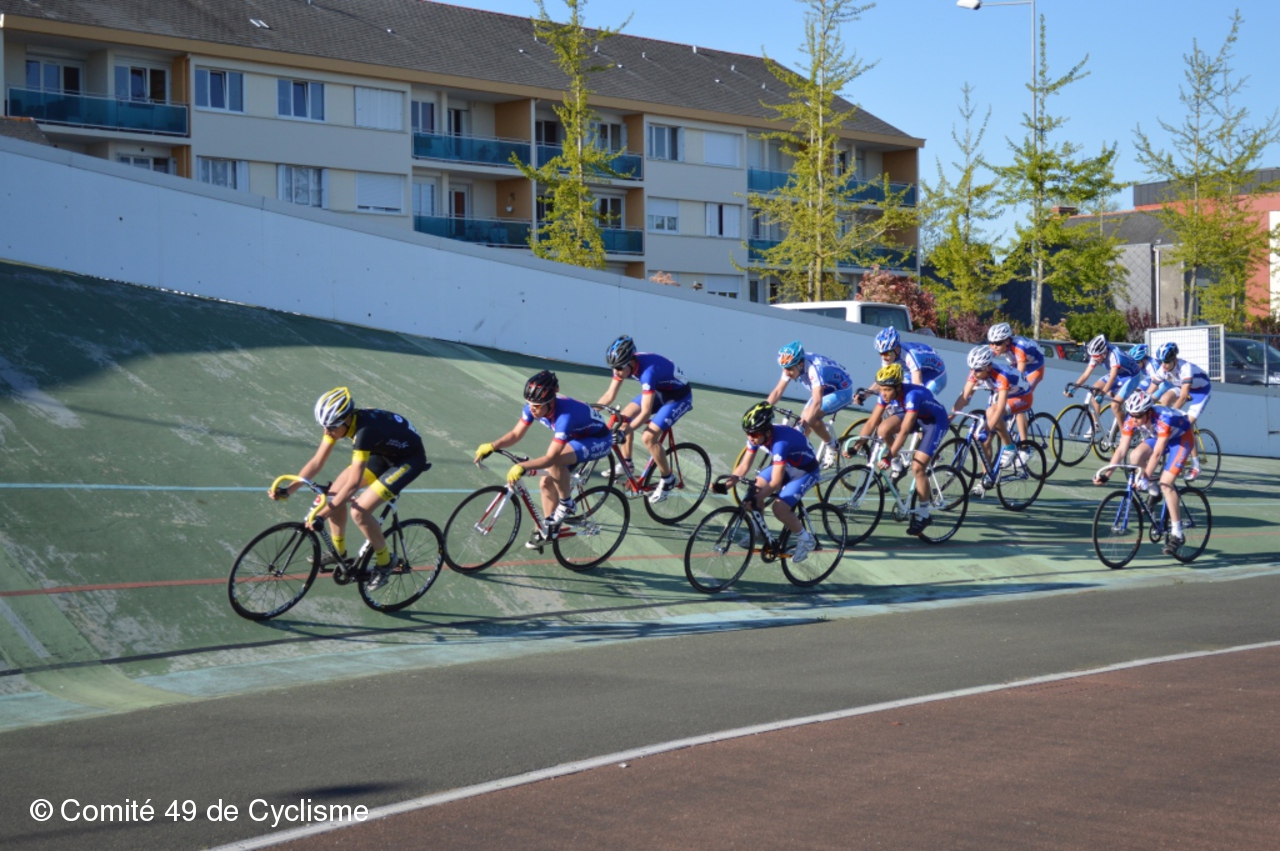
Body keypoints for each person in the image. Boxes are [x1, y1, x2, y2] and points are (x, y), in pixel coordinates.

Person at [270, 387, 430, 590]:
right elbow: (317, 462)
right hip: (382, 452)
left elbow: (353, 485)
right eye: (324, 427)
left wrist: (322, 516)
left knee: (359, 511)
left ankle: (385, 562)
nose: (327, 432)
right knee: (333, 497)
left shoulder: (364, 432)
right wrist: (289, 490)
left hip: (408, 460)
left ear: (346, 420)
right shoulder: (338, 425)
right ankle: (338, 552)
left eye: (331, 427)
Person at [475, 370, 613, 549]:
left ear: (551, 402)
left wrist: (522, 467)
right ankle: (549, 529)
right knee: (546, 483)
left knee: (556, 461)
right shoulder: (534, 408)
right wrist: (493, 446)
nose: (532, 409)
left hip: (598, 439)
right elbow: (516, 434)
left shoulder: (565, 417)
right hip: (576, 436)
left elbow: (551, 458)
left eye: (537, 406)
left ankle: (567, 504)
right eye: (529, 404)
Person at [849, 363, 950, 537]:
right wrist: (857, 446)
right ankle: (898, 465)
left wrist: (889, 456)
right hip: (917, 415)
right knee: (882, 429)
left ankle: (924, 514)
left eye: (887, 390)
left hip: (934, 422)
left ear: (898, 387)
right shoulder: (886, 394)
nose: (883, 394)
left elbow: (904, 431)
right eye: (881, 389)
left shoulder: (912, 395)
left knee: (918, 468)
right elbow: (872, 422)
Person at [1093, 390, 1194, 555]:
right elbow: (1121, 450)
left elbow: (1157, 453)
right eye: (1132, 415)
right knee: (1134, 456)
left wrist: (1145, 477)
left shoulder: (1163, 418)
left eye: (1138, 416)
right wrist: (1107, 474)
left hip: (1181, 439)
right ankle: (1154, 492)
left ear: (1148, 413)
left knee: (1166, 483)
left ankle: (1177, 533)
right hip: (1158, 436)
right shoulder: (1132, 418)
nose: (1134, 420)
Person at [596, 335, 693, 503]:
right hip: (660, 391)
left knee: (648, 437)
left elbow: (646, 413)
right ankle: (627, 464)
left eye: (618, 368)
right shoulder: (623, 365)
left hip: (678, 397)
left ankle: (668, 479)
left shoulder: (648, 373)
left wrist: (624, 432)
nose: (616, 372)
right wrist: (589, 412)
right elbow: (609, 395)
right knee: (623, 418)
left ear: (630, 362)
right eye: (613, 368)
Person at [723, 402, 819, 562]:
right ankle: (759, 531)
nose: (750, 438)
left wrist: (757, 499)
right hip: (788, 464)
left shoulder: (780, 444)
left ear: (767, 432)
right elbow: (744, 466)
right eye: (748, 433)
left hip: (805, 471)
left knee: (779, 509)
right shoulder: (757, 435)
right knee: (754, 491)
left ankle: (806, 539)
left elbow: (775, 482)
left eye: (754, 434)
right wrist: (726, 485)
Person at [952, 345, 1031, 496]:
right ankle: (986, 478)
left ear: (988, 367)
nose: (974, 373)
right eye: (972, 369)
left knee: (991, 412)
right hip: (1002, 395)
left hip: (1022, 396)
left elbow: (1000, 408)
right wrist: (950, 417)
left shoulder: (1002, 376)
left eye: (978, 370)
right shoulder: (976, 372)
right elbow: (964, 397)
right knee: (985, 441)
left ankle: (1010, 447)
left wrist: (987, 429)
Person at [765, 341, 854, 469]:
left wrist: (802, 426)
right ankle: (798, 460)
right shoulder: (791, 365)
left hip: (841, 390)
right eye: (784, 368)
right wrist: (763, 407)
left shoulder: (813, 368)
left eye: (789, 369)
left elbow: (817, 403)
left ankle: (832, 446)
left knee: (809, 418)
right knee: (804, 422)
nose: (786, 372)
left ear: (800, 364)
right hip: (824, 387)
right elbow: (778, 391)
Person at [1150, 341, 1212, 481]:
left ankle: (1196, 465)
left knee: (1185, 424)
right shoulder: (1163, 369)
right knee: (1165, 398)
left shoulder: (1186, 368)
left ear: (1175, 359)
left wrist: (1170, 417)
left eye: (1167, 362)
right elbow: (1150, 392)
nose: (1164, 365)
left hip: (1201, 391)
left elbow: (1183, 397)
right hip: (1184, 387)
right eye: (1161, 362)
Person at [1068, 334, 1143, 432]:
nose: (1094, 359)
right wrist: (1074, 388)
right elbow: (1086, 374)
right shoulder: (1096, 354)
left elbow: (1112, 378)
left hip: (1131, 377)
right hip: (1119, 374)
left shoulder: (1115, 356)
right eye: (1092, 357)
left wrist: (1102, 394)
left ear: (1104, 353)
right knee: (1094, 390)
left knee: (1115, 405)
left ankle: (1125, 434)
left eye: (1096, 357)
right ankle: (1096, 424)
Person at [987, 322, 1045, 442]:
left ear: (1007, 341)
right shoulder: (999, 345)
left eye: (997, 343)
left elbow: (1019, 376)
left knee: (1019, 397)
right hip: (1019, 362)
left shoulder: (1019, 347)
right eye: (991, 343)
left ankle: (1024, 443)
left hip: (1035, 367)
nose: (994, 346)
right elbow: (985, 359)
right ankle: (1008, 423)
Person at [874, 326, 948, 396]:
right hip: (919, 371)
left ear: (896, 348)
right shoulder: (888, 356)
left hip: (936, 374)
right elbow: (883, 380)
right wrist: (867, 394)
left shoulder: (910, 355)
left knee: (919, 396)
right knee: (897, 389)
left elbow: (916, 385)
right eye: (881, 353)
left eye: (887, 353)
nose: (883, 357)